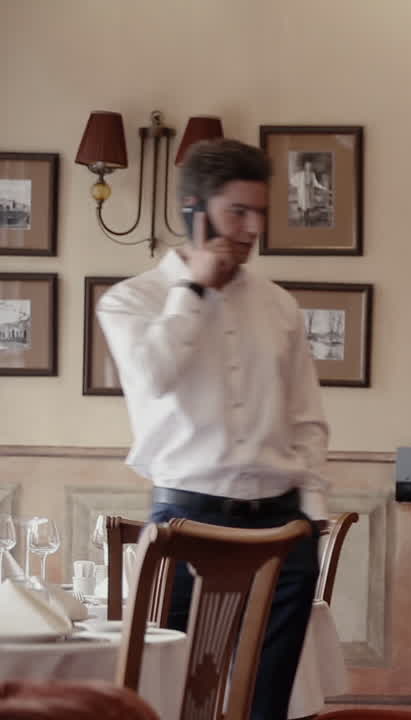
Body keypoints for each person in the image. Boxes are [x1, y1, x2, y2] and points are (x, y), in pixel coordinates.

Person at [97, 139, 328, 720]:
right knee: (172, 700)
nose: (253, 229)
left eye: (261, 214)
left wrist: (311, 517)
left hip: (284, 525)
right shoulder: (130, 301)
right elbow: (153, 378)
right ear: (194, 209)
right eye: (238, 213)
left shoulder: (280, 306)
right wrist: (191, 291)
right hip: (185, 523)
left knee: (265, 704)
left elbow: (307, 417)